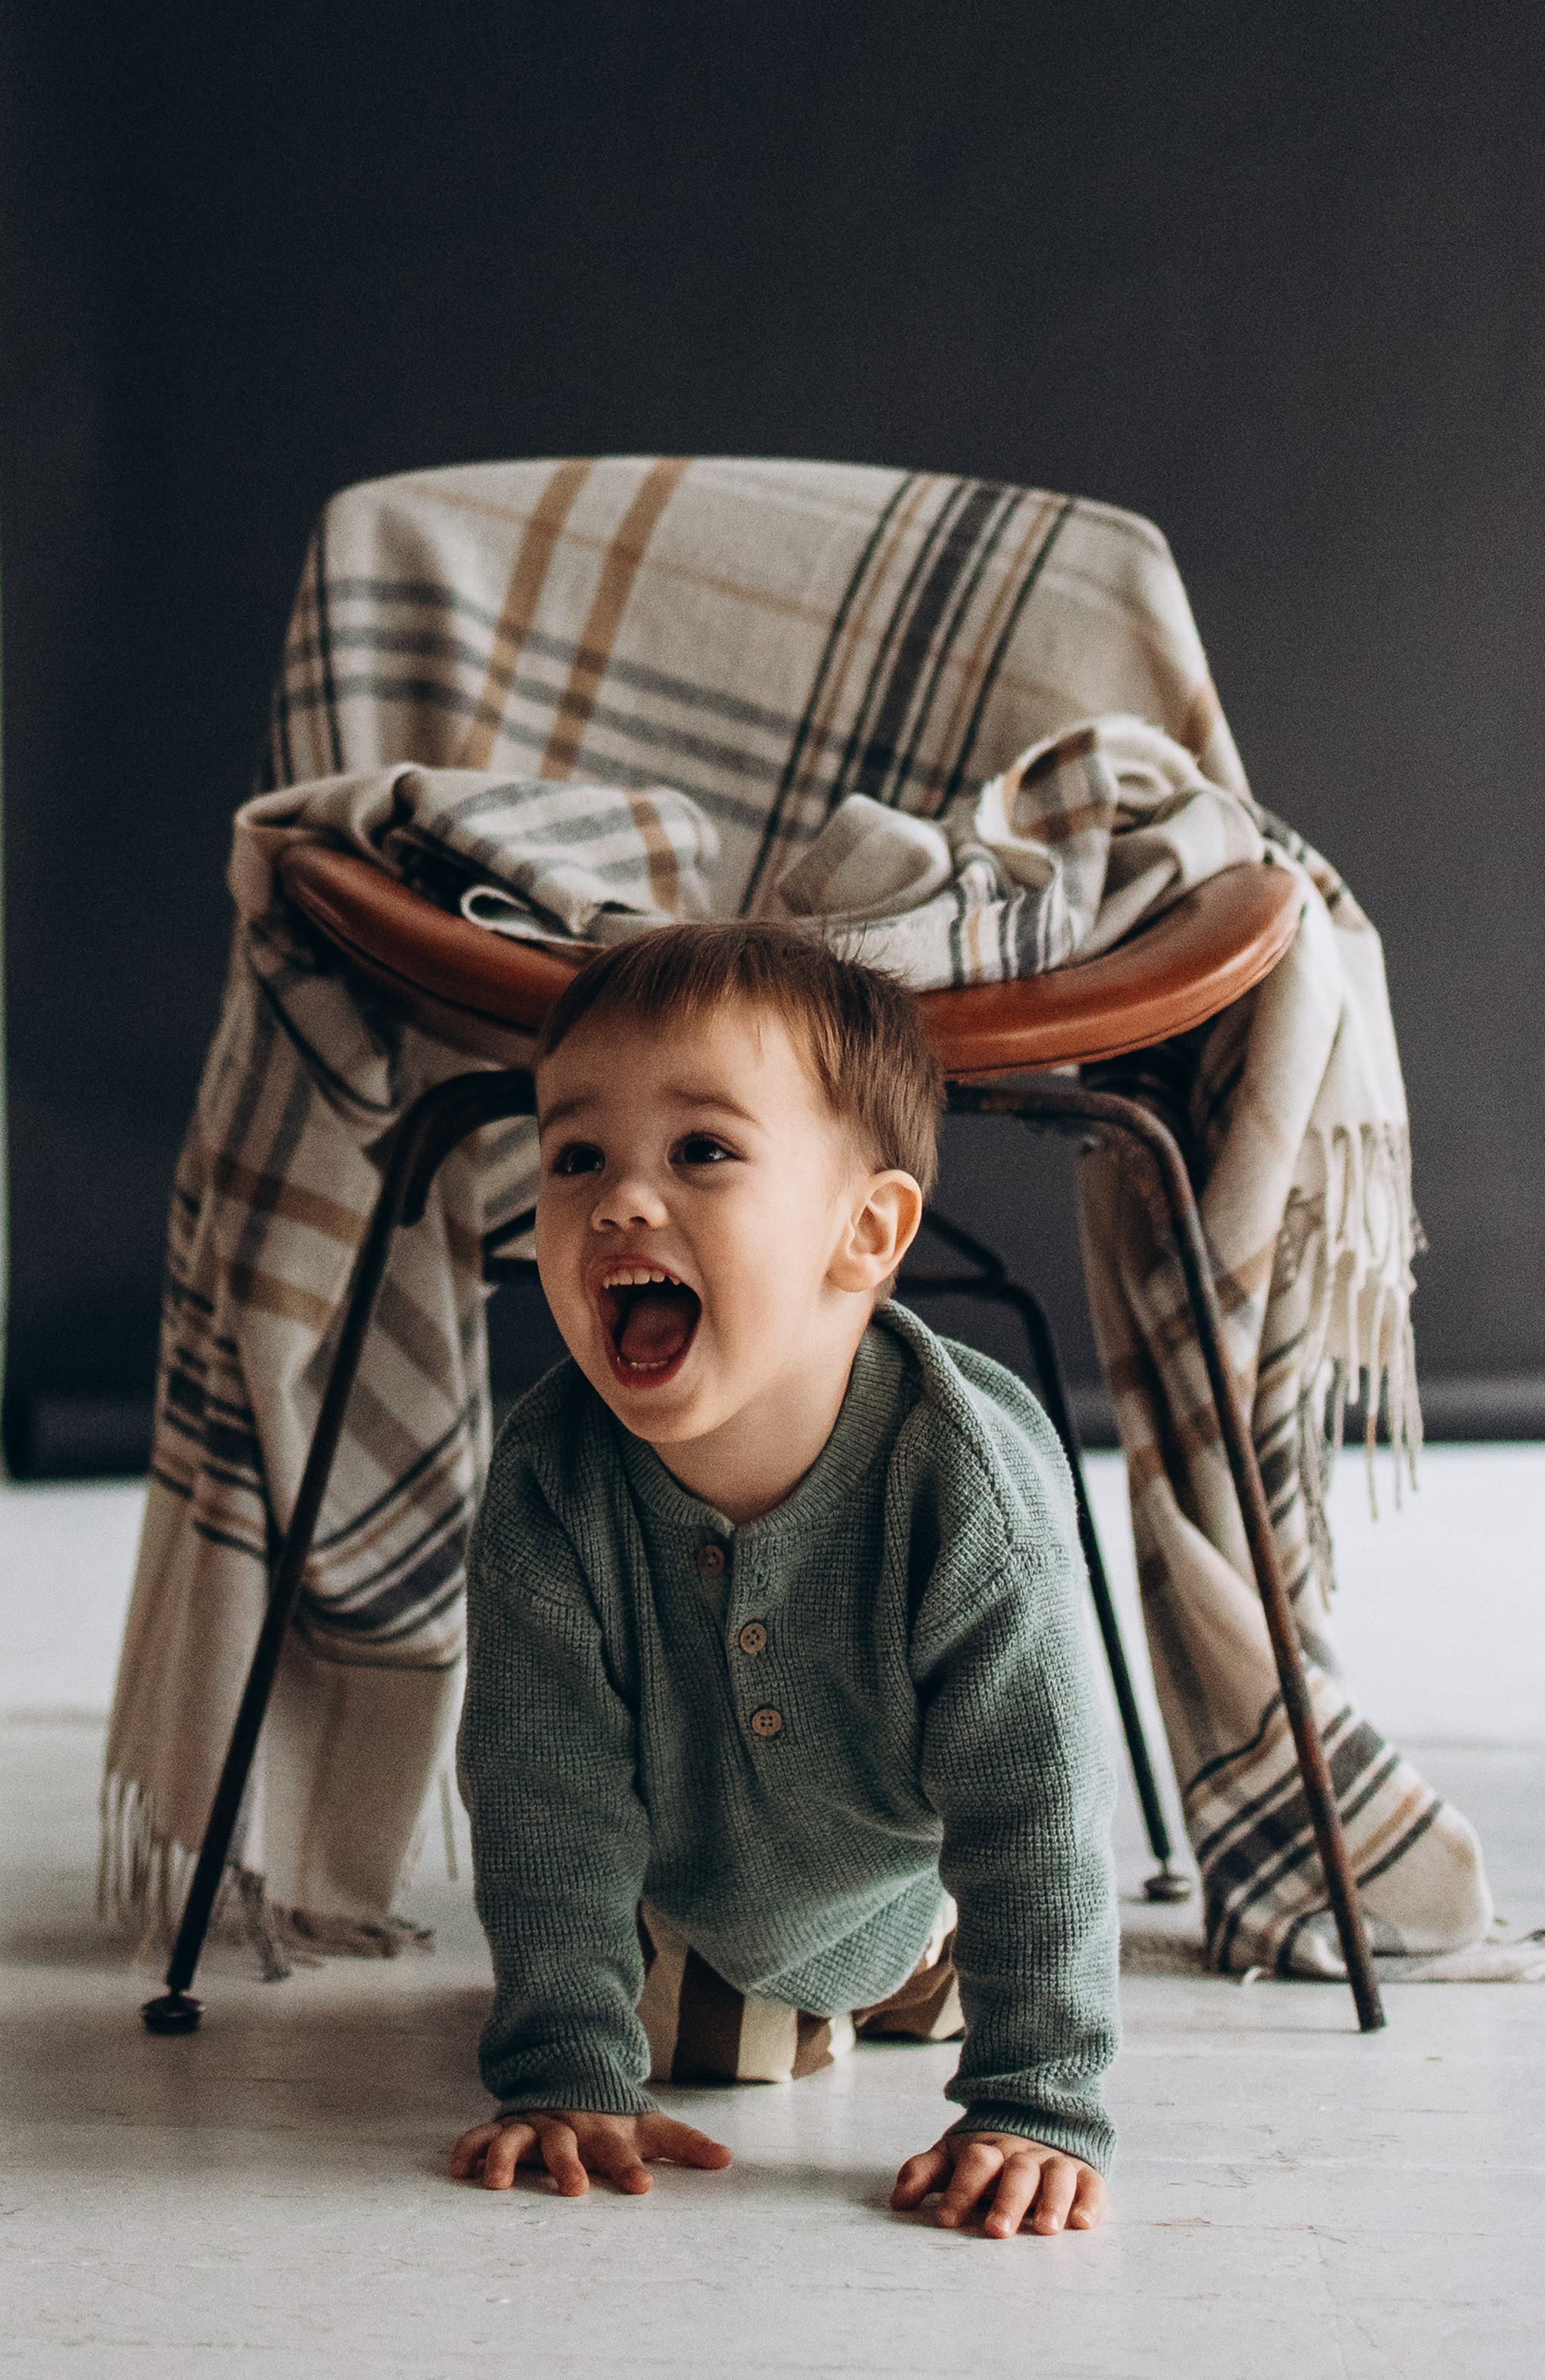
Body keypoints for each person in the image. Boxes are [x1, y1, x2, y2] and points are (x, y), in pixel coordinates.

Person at [448, 921, 1119, 2239]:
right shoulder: (549, 1482)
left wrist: (1039, 2106)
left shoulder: (963, 1485)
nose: (619, 1202)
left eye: (702, 1151)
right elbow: (544, 1795)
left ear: (863, 1232)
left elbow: (1033, 1802)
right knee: (712, 2047)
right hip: (692, 1906)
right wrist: (564, 2073)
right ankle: (805, 1995)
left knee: (1006, 1928)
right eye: (576, 1156)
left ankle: (925, 1979)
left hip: (912, 1878)